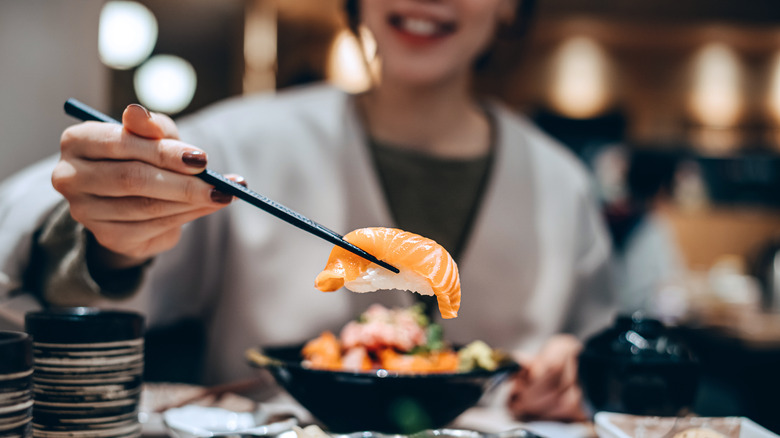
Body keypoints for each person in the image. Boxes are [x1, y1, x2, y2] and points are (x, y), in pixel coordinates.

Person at [0, 0, 615, 422]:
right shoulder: (246, 141)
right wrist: (112, 234)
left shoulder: (562, 186)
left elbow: (599, 367)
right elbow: (45, 259)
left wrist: (571, 378)